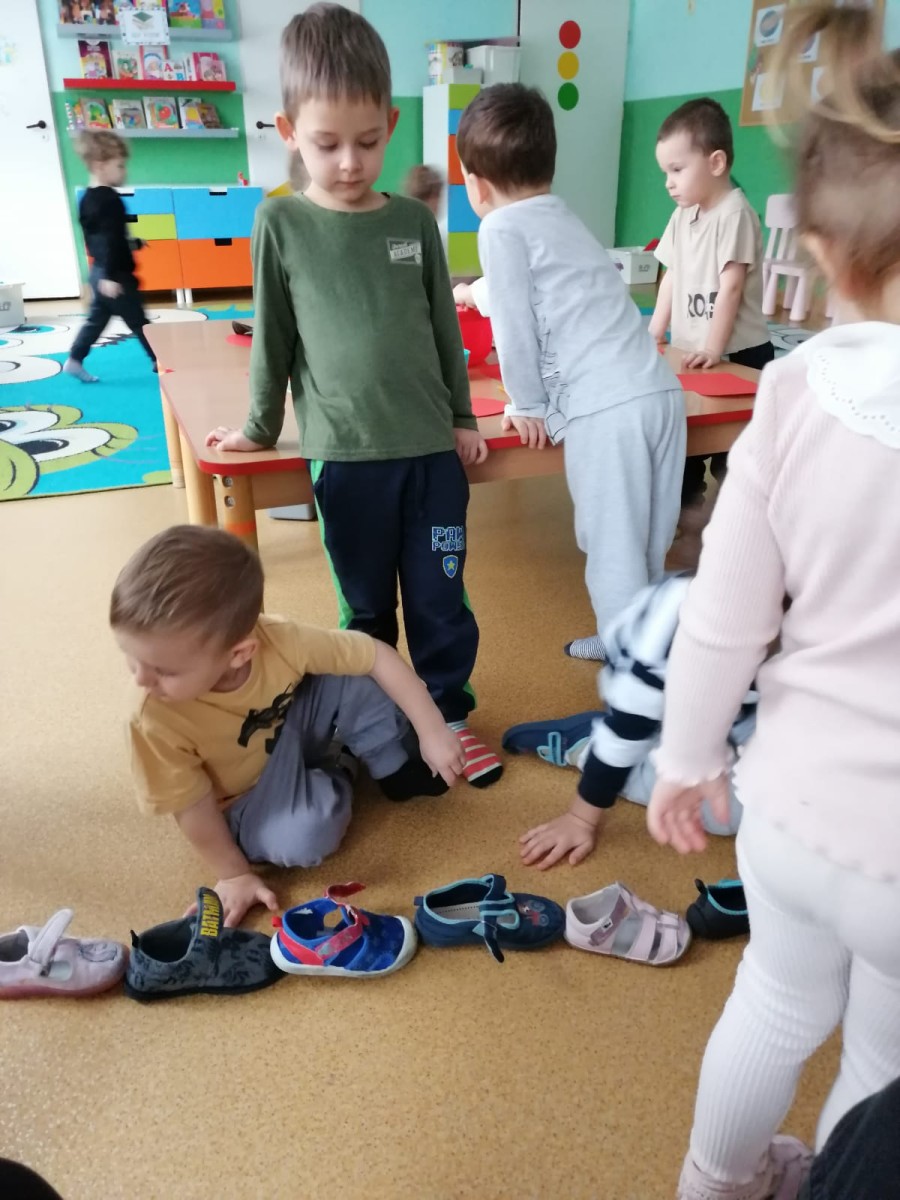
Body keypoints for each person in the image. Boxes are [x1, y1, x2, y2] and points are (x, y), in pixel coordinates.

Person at [645, 8, 900, 1198]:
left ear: (826, 255)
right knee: (883, 1058)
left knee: (774, 1000)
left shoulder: (796, 392)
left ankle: (713, 1183)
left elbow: (724, 615)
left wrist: (687, 757)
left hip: (790, 809)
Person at [204, 4, 501, 787]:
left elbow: (443, 330)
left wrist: (463, 416)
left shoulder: (413, 225)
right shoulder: (281, 223)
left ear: (391, 125)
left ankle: (449, 714)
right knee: (366, 611)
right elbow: (273, 337)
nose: (348, 162)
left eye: (368, 142)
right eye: (327, 143)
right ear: (288, 131)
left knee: (440, 600)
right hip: (346, 459)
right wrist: (259, 426)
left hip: (430, 454)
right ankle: (377, 723)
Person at [111, 525, 467, 928]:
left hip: (285, 731)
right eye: (130, 658)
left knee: (353, 674)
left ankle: (392, 766)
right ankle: (342, 763)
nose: (141, 679)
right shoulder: (150, 716)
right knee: (307, 837)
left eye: (163, 670)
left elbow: (374, 654)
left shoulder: (279, 640)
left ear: (240, 653)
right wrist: (233, 873)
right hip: (244, 799)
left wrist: (433, 731)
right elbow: (191, 806)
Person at [456, 84, 685, 663]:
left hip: (607, 410)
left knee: (612, 543)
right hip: (659, 393)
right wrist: (475, 293)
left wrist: (527, 404)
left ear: (475, 184)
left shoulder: (498, 228)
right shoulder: (562, 216)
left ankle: (630, 667)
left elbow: (515, 324)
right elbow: (549, 292)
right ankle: (644, 639)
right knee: (648, 539)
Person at [505, 505, 747, 870]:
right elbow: (626, 729)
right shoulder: (670, 633)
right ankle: (586, 744)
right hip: (655, 706)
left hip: (743, 711)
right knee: (730, 812)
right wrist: (580, 819)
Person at [649, 98, 774, 509]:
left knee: (731, 452)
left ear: (716, 163)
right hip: (692, 352)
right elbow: (671, 275)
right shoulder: (683, 215)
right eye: (665, 172)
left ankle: (737, 519)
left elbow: (731, 288)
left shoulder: (734, 213)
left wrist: (713, 349)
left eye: (677, 170)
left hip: (738, 353)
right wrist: (655, 331)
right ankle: (689, 515)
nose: (668, 183)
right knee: (686, 436)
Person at [64, 131, 157, 383]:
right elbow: (107, 239)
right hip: (114, 276)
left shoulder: (88, 198)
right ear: (100, 166)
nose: (124, 172)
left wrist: (132, 243)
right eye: (120, 166)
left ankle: (74, 359)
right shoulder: (109, 199)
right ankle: (159, 360)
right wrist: (109, 275)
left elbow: (101, 236)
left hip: (99, 272)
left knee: (96, 320)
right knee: (138, 320)